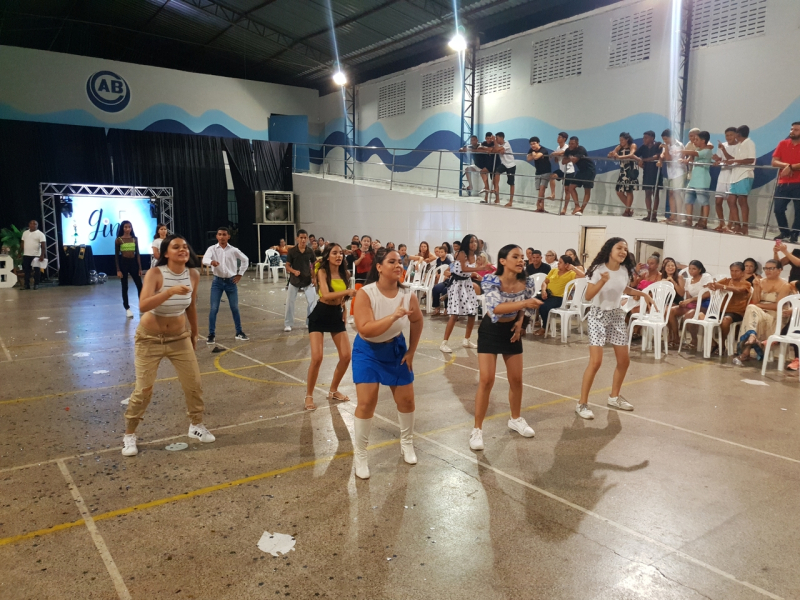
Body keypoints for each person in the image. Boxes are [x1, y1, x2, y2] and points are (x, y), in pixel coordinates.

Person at [121, 234, 214, 457]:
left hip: (179, 338)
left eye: (185, 246)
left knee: (194, 384)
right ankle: (129, 434)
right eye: (176, 247)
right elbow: (143, 305)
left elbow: (191, 305)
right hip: (149, 339)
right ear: (165, 253)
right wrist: (169, 291)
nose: (183, 250)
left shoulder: (193, 274)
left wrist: (194, 332)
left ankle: (196, 425)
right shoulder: (155, 273)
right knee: (144, 389)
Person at [351, 248, 424, 479]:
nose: (398, 265)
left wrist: (411, 351)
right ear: (379, 267)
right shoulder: (366, 293)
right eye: (392, 261)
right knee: (366, 402)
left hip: (395, 349)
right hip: (368, 351)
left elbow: (417, 320)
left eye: (400, 261)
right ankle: (360, 453)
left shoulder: (407, 294)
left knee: (407, 400)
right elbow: (365, 329)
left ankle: (407, 442)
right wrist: (393, 316)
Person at [469, 245, 542, 451]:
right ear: (503, 261)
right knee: (486, 380)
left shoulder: (527, 282)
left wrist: (520, 322)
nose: (521, 260)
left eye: (522, 257)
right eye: (515, 257)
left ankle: (515, 419)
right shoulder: (491, 280)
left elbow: (524, 306)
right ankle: (477, 429)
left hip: (511, 331)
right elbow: (497, 308)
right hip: (491, 330)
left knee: (516, 379)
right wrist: (524, 304)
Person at [577, 238, 653, 419]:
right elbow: (588, 296)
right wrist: (602, 282)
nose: (623, 251)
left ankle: (614, 397)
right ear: (609, 250)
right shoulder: (598, 270)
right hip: (598, 316)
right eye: (619, 248)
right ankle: (582, 404)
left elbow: (623, 288)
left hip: (617, 315)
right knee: (596, 362)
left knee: (624, 361)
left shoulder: (624, 270)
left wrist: (642, 294)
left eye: (625, 249)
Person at [303, 243, 356, 411]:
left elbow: (341, 297)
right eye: (334, 253)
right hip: (320, 314)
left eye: (340, 253)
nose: (339, 256)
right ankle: (309, 395)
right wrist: (347, 292)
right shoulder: (322, 271)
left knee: (346, 356)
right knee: (317, 358)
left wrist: (344, 309)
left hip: (336, 314)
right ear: (327, 256)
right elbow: (326, 295)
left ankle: (333, 390)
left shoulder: (345, 273)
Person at [733, 259, 791, 365]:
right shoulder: (760, 281)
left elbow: (778, 306)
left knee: (752, 311)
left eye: (771, 268)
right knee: (752, 310)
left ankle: (747, 349)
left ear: (779, 270)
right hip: (759, 313)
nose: (767, 271)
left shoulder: (785, 285)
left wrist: (759, 306)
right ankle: (751, 339)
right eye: (766, 268)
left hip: (776, 315)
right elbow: (755, 301)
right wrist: (756, 287)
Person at [202, 227, 250, 344]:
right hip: (217, 282)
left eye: (224, 234)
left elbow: (245, 259)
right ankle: (211, 334)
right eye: (219, 234)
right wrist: (211, 262)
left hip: (230, 282)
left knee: (235, 308)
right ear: (216, 236)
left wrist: (240, 274)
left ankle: (239, 332)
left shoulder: (233, 250)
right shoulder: (212, 249)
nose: (222, 237)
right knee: (214, 308)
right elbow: (205, 259)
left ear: (228, 236)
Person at [441, 234, 482, 353]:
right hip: (457, 285)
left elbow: (467, 272)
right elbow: (463, 269)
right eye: (471, 242)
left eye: (475, 242)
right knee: (455, 315)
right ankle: (444, 343)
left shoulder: (475, 256)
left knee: (472, 313)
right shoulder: (461, 254)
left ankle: (467, 340)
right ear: (466, 243)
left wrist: (475, 275)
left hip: (467, 284)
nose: (474, 244)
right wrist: (479, 269)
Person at [719, 125, 756, 236]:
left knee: (742, 201)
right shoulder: (739, 144)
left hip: (744, 174)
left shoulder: (749, 143)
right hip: (735, 176)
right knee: (731, 200)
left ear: (738, 134)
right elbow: (732, 158)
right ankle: (737, 225)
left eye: (734, 134)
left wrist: (735, 161)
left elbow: (751, 159)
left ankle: (745, 227)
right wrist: (723, 150)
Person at [707, 262, 752, 350]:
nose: (734, 273)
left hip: (736, 312)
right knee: (700, 317)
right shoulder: (726, 281)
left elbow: (739, 290)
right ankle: (714, 343)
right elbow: (714, 285)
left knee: (726, 320)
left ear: (743, 272)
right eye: (732, 271)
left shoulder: (746, 283)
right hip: (721, 310)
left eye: (737, 271)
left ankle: (722, 344)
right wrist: (711, 285)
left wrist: (723, 287)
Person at [668, 260, 713, 349]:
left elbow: (708, 293)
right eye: (690, 269)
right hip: (693, 304)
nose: (691, 271)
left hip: (704, 303)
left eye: (694, 269)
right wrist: (684, 302)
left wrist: (691, 300)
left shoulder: (705, 277)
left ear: (700, 270)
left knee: (688, 316)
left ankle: (694, 340)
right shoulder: (688, 281)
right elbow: (688, 296)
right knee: (671, 310)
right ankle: (676, 337)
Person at [534, 255, 580, 336]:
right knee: (532, 302)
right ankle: (524, 326)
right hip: (547, 294)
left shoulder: (571, 274)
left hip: (559, 298)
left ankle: (544, 327)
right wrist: (544, 291)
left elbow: (584, 276)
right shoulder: (553, 271)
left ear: (566, 265)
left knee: (543, 306)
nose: (558, 264)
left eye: (560, 262)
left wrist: (573, 268)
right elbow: (545, 282)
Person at [771, 121, 800, 242]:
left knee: (799, 211)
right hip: (783, 182)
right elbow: (774, 162)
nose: (792, 131)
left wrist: (791, 167)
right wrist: (787, 166)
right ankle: (784, 232)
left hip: (798, 182)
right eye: (792, 129)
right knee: (778, 209)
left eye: (796, 130)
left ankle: (795, 234)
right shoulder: (783, 143)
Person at [284, 229, 317, 332]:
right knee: (290, 302)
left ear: (307, 239)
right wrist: (294, 271)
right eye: (301, 238)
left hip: (307, 280)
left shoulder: (310, 251)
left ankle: (310, 322)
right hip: (294, 280)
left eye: (305, 238)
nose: (303, 240)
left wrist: (314, 278)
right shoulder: (292, 251)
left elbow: (314, 265)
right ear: (297, 238)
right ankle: (288, 323)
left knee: (312, 302)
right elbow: (287, 266)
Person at [682, 131, 714, 229]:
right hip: (693, 180)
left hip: (702, 180)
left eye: (696, 140)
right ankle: (689, 220)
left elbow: (694, 153)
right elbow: (693, 155)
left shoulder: (707, 151)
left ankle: (704, 222)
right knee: (688, 199)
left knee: (703, 201)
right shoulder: (698, 150)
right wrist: (687, 160)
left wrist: (680, 151)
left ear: (703, 141)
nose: (694, 141)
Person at [115, 220, 143, 318]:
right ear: (122, 228)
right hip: (123, 263)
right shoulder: (119, 240)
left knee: (140, 285)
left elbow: (137, 253)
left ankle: (142, 305)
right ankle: (127, 308)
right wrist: (118, 270)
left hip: (133, 263)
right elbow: (116, 256)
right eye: (125, 227)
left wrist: (140, 268)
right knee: (125, 286)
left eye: (129, 227)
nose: (128, 229)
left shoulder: (134, 239)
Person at [713, 127, 738, 232]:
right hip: (722, 176)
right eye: (727, 135)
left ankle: (730, 225)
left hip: (733, 177)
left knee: (731, 203)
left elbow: (732, 160)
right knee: (718, 201)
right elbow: (720, 158)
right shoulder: (722, 145)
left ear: (736, 135)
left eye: (731, 135)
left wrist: (723, 150)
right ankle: (722, 223)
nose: (728, 137)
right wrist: (716, 160)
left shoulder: (739, 146)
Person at [562, 136, 595, 216]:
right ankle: (577, 206)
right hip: (581, 171)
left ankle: (582, 210)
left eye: (573, 144)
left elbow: (575, 160)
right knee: (571, 187)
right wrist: (571, 158)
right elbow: (563, 161)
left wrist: (570, 158)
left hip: (589, 170)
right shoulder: (568, 150)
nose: (571, 145)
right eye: (570, 143)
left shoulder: (581, 149)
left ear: (577, 144)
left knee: (587, 190)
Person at [635, 130, 663, 222]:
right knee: (647, 193)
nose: (644, 139)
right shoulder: (643, 147)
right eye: (643, 138)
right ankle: (649, 214)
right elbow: (635, 155)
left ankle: (654, 215)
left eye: (646, 138)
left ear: (652, 138)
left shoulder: (658, 145)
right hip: (646, 172)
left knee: (655, 193)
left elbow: (657, 156)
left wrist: (644, 160)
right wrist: (639, 161)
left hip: (656, 172)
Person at [659, 129, 686, 224]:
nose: (665, 141)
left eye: (666, 139)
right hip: (671, 173)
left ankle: (679, 216)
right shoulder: (667, 146)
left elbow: (669, 158)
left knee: (677, 193)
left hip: (679, 172)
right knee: (671, 193)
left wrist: (666, 148)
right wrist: (660, 158)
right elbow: (663, 155)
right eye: (663, 139)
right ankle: (672, 215)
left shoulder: (678, 145)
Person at [608, 132, 639, 217]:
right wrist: (611, 154)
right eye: (620, 140)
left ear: (627, 139)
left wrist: (619, 157)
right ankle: (629, 208)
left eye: (622, 140)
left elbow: (631, 155)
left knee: (629, 191)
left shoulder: (632, 145)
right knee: (619, 191)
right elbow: (613, 153)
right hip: (623, 170)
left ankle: (627, 210)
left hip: (631, 169)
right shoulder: (619, 147)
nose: (621, 142)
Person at [350, 235, 375, 323]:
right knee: (356, 296)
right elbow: (355, 263)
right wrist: (361, 257)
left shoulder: (372, 253)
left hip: (370, 277)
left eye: (368, 241)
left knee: (370, 297)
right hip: (359, 277)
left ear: (370, 243)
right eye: (364, 241)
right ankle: (353, 315)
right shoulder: (356, 252)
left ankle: (369, 315)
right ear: (361, 242)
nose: (366, 243)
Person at [490, 132, 517, 207]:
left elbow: (497, 149)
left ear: (502, 138)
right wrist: (498, 149)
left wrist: (496, 145)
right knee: (496, 172)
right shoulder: (498, 145)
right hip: (504, 164)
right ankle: (496, 188)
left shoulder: (507, 144)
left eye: (497, 138)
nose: (496, 139)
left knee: (511, 183)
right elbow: (495, 150)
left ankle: (510, 201)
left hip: (511, 165)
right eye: (495, 138)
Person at [526, 137, 551, 212]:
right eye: (531, 144)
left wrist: (533, 153)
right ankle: (541, 208)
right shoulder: (531, 150)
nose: (532, 146)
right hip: (538, 172)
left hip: (546, 171)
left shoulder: (543, 150)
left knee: (542, 189)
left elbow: (536, 157)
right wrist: (534, 154)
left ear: (538, 143)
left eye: (534, 144)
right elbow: (528, 159)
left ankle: (538, 205)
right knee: (540, 190)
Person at [20, 219, 46, 291]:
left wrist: (42, 255)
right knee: (26, 270)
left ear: (37, 225)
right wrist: (20, 252)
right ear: (29, 225)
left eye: (35, 224)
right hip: (26, 254)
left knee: (37, 270)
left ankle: (36, 284)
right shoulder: (25, 233)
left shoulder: (40, 234)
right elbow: (22, 243)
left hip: (36, 255)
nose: (33, 225)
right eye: (31, 223)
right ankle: (27, 285)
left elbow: (43, 246)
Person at [548, 132, 570, 200]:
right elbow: (556, 160)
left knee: (566, 190)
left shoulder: (567, 147)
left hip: (568, 170)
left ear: (564, 139)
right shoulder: (558, 147)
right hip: (561, 169)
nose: (558, 138)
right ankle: (553, 194)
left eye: (559, 137)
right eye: (558, 137)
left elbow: (563, 152)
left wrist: (554, 154)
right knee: (552, 176)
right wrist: (556, 156)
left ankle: (565, 205)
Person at [430, 246, 452, 316]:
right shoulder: (438, 260)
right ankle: (437, 308)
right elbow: (439, 269)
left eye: (442, 252)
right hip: (445, 280)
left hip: (451, 281)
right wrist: (438, 273)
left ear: (446, 253)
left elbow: (451, 273)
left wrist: (448, 275)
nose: (440, 253)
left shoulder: (449, 261)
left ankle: (446, 309)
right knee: (435, 288)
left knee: (445, 290)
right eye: (439, 252)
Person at [478, 132, 497, 203]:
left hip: (495, 164)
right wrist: (487, 149)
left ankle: (497, 199)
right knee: (483, 173)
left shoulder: (494, 143)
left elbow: (492, 149)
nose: (489, 140)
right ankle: (486, 196)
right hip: (487, 164)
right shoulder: (483, 143)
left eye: (490, 138)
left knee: (495, 183)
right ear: (485, 138)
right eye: (488, 138)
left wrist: (486, 149)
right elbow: (478, 149)